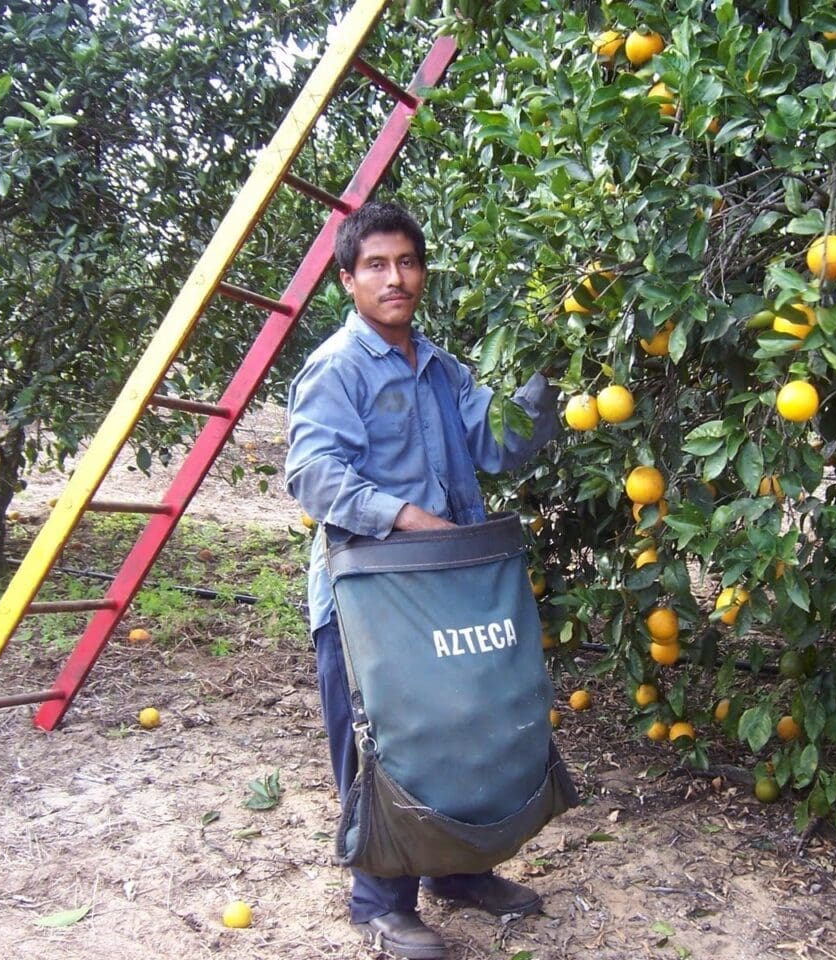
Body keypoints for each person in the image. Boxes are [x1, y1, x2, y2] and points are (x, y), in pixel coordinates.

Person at [284, 201, 561, 960]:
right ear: (348, 280)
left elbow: (498, 447)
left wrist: (555, 376)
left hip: (441, 586)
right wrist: (406, 517)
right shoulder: (338, 369)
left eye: (406, 262)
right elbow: (313, 475)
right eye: (375, 264)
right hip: (369, 594)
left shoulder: (442, 368)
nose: (394, 277)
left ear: (423, 273)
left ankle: (460, 870)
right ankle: (379, 901)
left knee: (458, 729)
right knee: (383, 742)